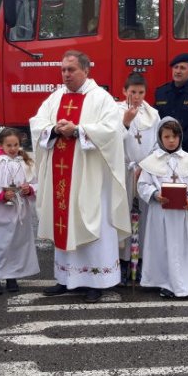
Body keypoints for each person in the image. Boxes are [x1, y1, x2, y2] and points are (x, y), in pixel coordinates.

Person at [30, 50, 130, 304]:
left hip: (90, 176)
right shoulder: (56, 97)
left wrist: (79, 131)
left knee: (91, 221)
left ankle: (96, 280)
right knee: (65, 222)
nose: (65, 74)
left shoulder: (101, 98)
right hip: (62, 176)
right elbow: (37, 121)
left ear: (86, 70)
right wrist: (53, 129)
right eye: (63, 70)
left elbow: (113, 131)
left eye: (71, 70)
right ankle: (66, 278)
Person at [137, 117, 188, 299]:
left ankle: (184, 284)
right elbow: (143, 184)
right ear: (160, 137)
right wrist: (154, 194)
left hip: (183, 214)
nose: (171, 140)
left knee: (182, 250)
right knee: (162, 248)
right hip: (160, 214)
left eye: (174, 136)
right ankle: (164, 282)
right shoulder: (150, 161)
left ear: (180, 137)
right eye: (166, 136)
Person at [0, 127, 39, 295]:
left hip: (19, 211)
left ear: (20, 144)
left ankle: (12, 276)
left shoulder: (26, 163)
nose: (12, 148)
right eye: (9, 145)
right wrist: (1, 195)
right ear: (1, 145)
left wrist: (29, 189)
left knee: (17, 243)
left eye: (15, 145)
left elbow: (37, 182)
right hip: (0, 211)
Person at [116, 72, 159, 285]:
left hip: (145, 171)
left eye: (141, 92)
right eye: (132, 92)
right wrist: (125, 122)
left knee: (142, 218)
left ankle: (139, 260)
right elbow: (111, 140)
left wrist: (146, 165)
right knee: (122, 216)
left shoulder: (153, 114)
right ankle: (121, 263)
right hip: (122, 170)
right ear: (124, 91)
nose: (136, 96)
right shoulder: (115, 111)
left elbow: (157, 144)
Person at [154, 53, 188, 153]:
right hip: (164, 148)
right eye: (176, 67)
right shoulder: (161, 92)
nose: (178, 71)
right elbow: (156, 120)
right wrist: (166, 141)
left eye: (182, 68)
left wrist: (179, 141)